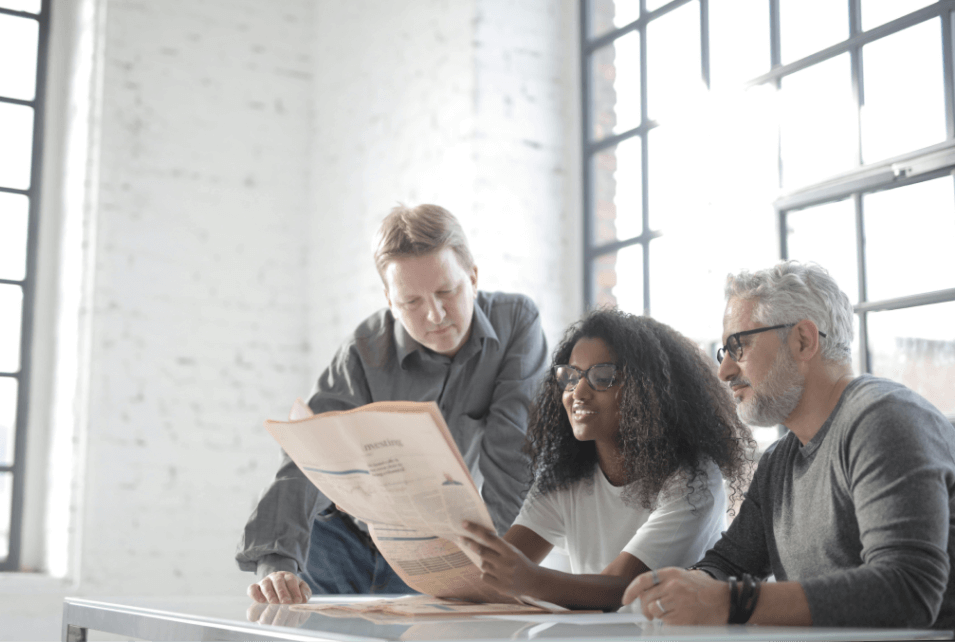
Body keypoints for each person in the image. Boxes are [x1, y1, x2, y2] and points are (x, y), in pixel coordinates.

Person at [236, 204, 549, 604]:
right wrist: (275, 563)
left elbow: (514, 458)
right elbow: (308, 455)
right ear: (389, 299)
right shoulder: (363, 349)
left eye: (446, 291)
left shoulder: (516, 323)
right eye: (411, 302)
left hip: (440, 554)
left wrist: (492, 569)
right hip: (339, 543)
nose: (434, 315)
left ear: (472, 276)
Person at [623, 261, 955, 628]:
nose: (725, 371)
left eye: (739, 346)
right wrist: (688, 589)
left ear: (803, 340)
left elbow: (908, 591)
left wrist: (730, 602)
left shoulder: (883, 418)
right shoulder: (780, 460)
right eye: (724, 353)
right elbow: (729, 564)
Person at [459, 308, 753, 610]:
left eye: (602, 377)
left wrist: (530, 580)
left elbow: (623, 590)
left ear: (649, 389)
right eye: (570, 377)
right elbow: (495, 574)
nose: (578, 392)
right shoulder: (566, 476)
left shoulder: (694, 479)